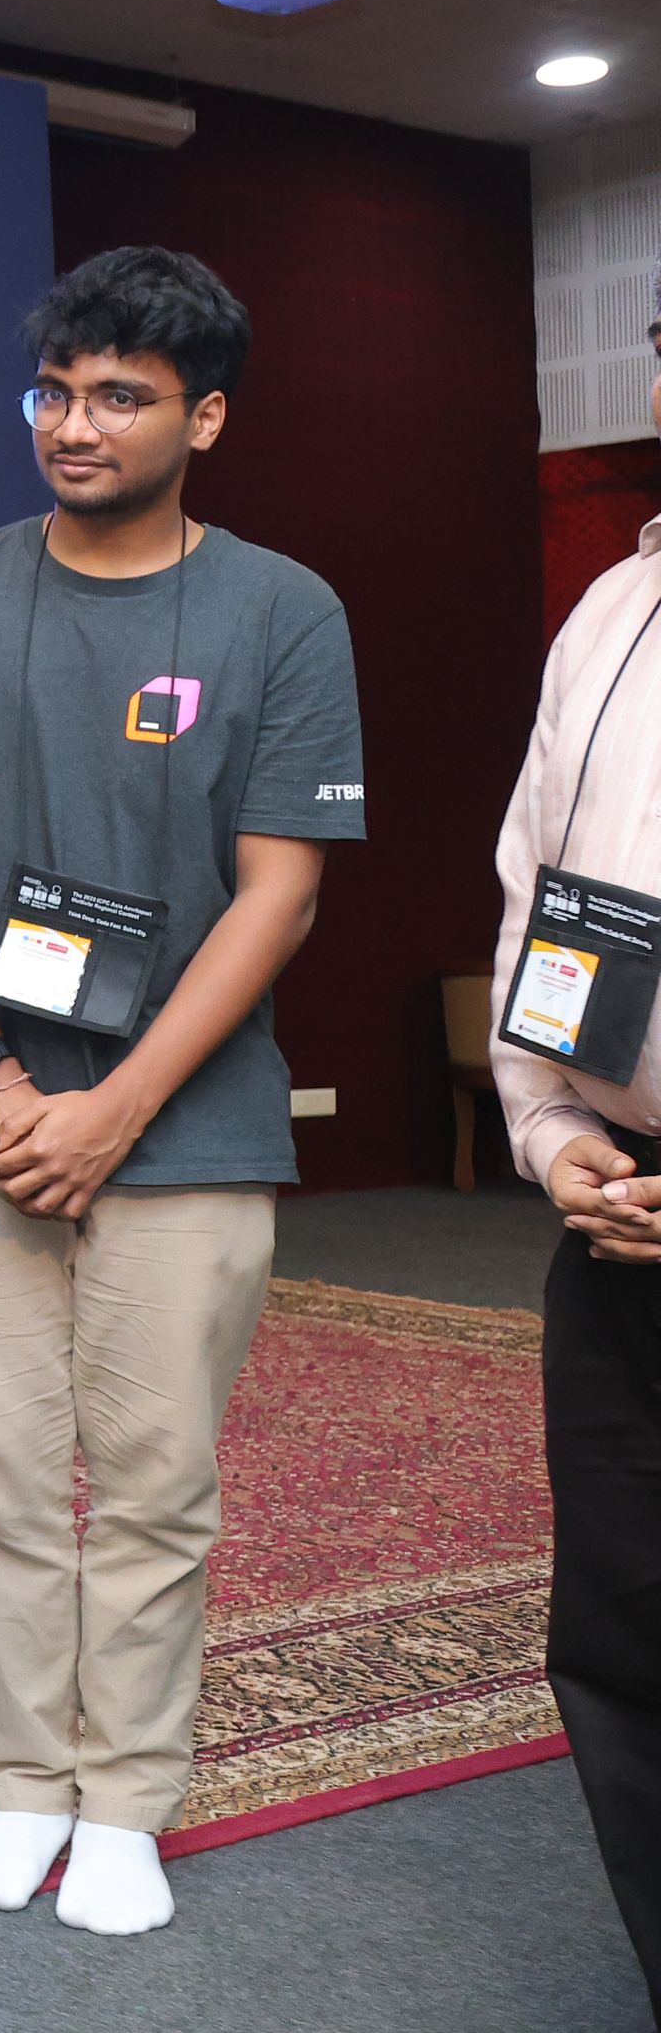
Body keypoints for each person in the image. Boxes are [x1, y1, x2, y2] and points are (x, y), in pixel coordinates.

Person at [0, 246, 363, 1938]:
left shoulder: (282, 610)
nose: (76, 422)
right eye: (56, 389)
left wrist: (121, 1103)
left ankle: (127, 1799)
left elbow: (276, 892)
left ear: (203, 416)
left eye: (122, 394)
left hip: (190, 1123)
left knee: (150, 1483)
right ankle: (23, 1785)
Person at [488, 302, 661, 2021]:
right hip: (612, 1213)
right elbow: (545, 902)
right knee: (620, 1637)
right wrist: (551, 1133)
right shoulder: (614, 608)